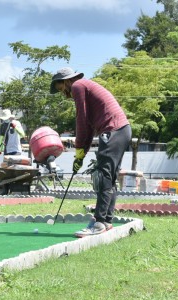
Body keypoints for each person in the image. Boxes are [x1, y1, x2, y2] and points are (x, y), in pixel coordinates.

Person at [50, 67, 131, 237]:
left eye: (60, 89)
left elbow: (81, 119)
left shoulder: (78, 86)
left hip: (113, 130)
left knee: (103, 176)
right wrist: (81, 152)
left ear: (66, 81)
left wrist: (79, 149)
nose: (63, 94)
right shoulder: (85, 86)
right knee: (109, 177)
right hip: (121, 130)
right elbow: (89, 126)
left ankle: (99, 222)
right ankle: (106, 221)